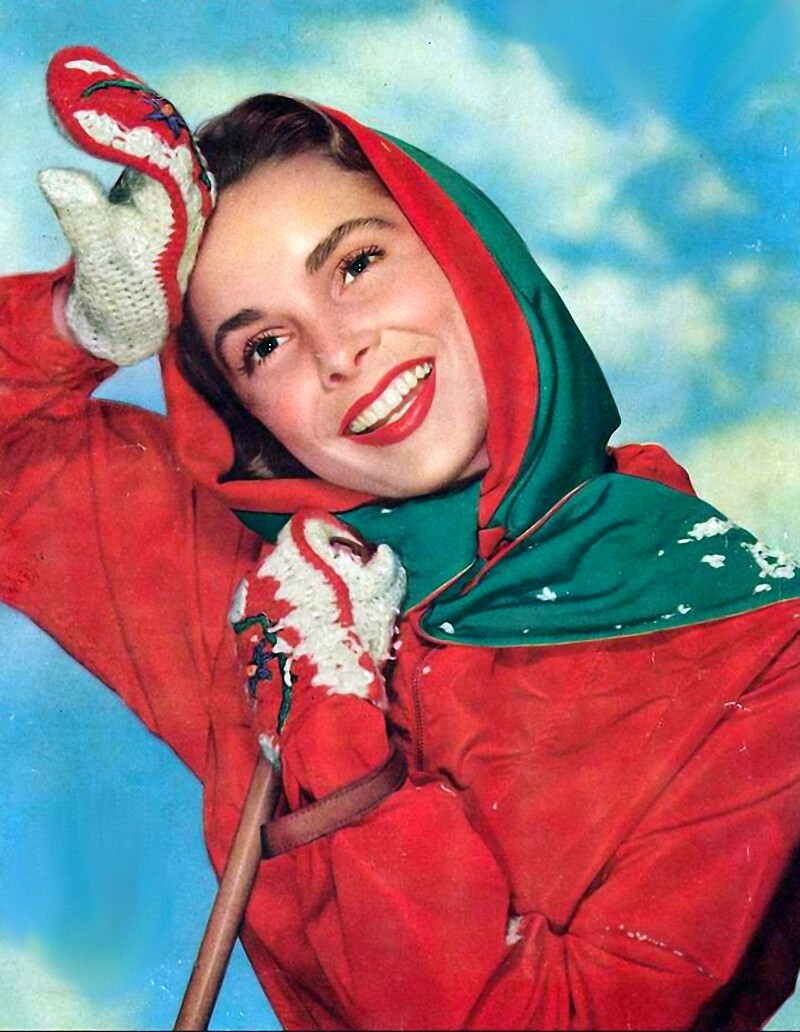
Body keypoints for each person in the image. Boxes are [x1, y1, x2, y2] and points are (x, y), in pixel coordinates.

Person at [2, 46, 800, 1031]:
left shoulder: (758, 642)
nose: (338, 353)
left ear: (464, 249)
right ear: (244, 410)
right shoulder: (249, 581)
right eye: (264, 344)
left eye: (356, 264)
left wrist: (335, 736)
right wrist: (80, 320)